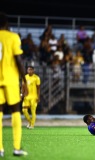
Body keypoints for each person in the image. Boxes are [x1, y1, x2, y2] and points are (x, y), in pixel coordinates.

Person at [0, 12, 28, 157]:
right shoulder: (12, 37)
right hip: (10, 79)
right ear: (6, 23)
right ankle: (16, 148)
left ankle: (0, 149)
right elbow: (18, 60)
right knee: (15, 111)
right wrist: (24, 80)